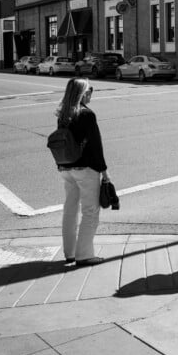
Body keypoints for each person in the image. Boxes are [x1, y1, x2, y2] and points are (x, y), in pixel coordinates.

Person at [55, 77, 110, 267]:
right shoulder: (87, 115)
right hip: (86, 169)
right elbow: (96, 146)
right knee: (90, 211)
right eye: (90, 89)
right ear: (83, 93)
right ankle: (84, 254)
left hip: (66, 168)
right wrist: (104, 172)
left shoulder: (63, 114)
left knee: (70, 210)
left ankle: (69, 252)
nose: (91, 93)